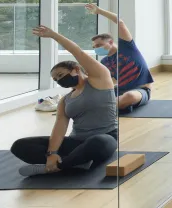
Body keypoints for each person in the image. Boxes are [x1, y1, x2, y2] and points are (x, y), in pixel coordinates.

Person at [11, 26, 118, 176]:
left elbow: (78, 52)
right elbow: (59, 128)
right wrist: (52, 153)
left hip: (105, 137)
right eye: (56, 79)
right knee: (19, 146)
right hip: (76, 143)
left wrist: (54, 35)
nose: (59, 80)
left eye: (61, 75)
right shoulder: (65, 101)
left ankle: (56, 167)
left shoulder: (100, 80)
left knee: (98, 143)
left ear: (76, 69)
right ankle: (75, 162)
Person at [86, 3, 154, 113]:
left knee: (130, 96)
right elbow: (108, 82)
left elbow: (120, 22)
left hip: (140, 90)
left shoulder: (127, 47)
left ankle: (104, 107)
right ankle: (112, 105)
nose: (96, 49)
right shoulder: (104, 62)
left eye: (99, 45)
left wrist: (100, 11)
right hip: (119, 90)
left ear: (111, 42)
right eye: (94, 47)